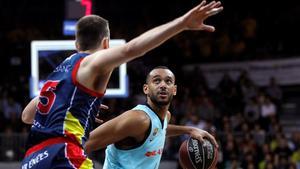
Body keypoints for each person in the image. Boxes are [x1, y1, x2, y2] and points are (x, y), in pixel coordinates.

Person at [21, 1, 223, 169]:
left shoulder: (58, 75)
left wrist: (76, 107)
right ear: (107, 43)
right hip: (63, 155)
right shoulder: (91, 63)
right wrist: (182, 24)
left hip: (33, 159)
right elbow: (131, 49)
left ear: (76, 44)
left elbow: (27, 116)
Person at [85, 66, 218, 169]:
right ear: (146, 89)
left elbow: (158, 130)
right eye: (157, 81)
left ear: (174, 90)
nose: (163, 85)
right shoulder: (137, 119)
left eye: (168, 81)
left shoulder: (165, 116)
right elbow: (83, 144)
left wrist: (189, 130)